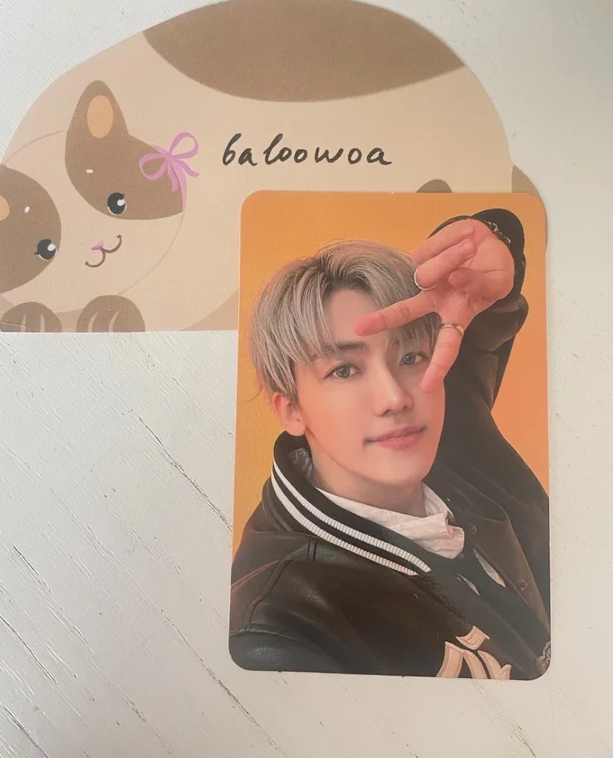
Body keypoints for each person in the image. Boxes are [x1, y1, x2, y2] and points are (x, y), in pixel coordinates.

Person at [229, 209, 550, 679]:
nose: (395, 397)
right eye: (344, 370)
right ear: (291, 409)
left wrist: (491, 240)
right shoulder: (278, 627)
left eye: (411, 355)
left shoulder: (445, 430)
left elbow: (482, 274)